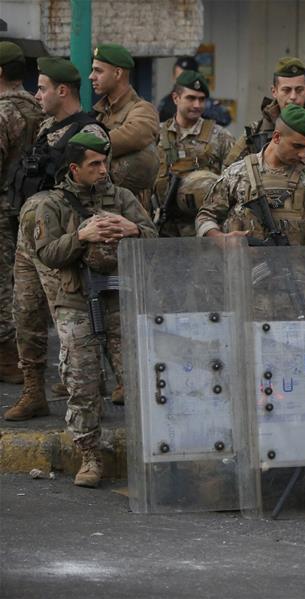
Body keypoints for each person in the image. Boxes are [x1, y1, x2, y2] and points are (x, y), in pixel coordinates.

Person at [34, 132, 157, 487]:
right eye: (95, 164)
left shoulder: (122, 197)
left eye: (105, 162)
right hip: (76, 301)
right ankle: (89, 456)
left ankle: (150, 453)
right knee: (83, 384)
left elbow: (154, 236)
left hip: (120, 298)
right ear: (75, 168)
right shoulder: (53, 204)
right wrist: (81, 238)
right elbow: (47, 254)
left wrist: (133, 228)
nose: (104, 170)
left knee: (136, 379)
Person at [4, 57, 111, 420]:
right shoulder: (47, 125)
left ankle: (85, 395)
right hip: (30, 233)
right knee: (26, 312)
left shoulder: (90, 133)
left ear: (62, 90)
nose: (37, 95)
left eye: (43, 88)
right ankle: (34, 389)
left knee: (69, 321)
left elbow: (98, 187)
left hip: (63, 239)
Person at [196, 103, 305, 246]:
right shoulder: (238, 173)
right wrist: (221, 239)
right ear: (276, 137)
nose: (303, 154)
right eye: (297, 146)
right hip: (246, 275)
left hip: (304, 277)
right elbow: (205, 216)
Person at [0, 42, 43, 384]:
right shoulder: (37, 107)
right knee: (27, 285)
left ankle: (9, 358)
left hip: (3, 210)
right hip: (31, 208)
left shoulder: (2, 113)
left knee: (4, 285)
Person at [224, 56, 305, 173]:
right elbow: (229, 174)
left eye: (299, 90)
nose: (293, 97)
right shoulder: (255, 132)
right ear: (274, 92)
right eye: (286, 90)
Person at [153, 69, 234, 237]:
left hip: (205, 231)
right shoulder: (156, 135)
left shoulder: (220, 137)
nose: (197, 105)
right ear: (176, 98)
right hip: (165, 230)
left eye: (201, 99)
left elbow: (233, 183)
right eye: (191, 98)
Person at [89, 43, 161, 209]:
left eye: (98, 71)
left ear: (118, 73)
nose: (91, 76)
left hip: (128, 208)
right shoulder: (100, 114)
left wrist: (86, 145)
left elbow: (134, 134)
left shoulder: (142, 109)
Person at [157, 56, 231, 126]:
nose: (183, 82)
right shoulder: (165, 103)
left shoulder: (205, 102)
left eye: (187, 78)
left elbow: (225, 118)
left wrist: (200, 110)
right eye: (179, 77)